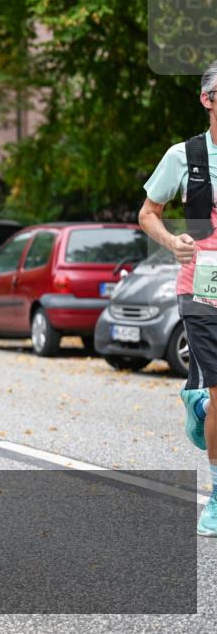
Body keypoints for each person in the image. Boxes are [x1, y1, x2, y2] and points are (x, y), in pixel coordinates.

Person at [138, 60, 217, 537]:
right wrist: (172, 242)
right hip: (202, 288)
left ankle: (200, 407)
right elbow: (148, 213)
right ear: (208, 100)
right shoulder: (184, 156)